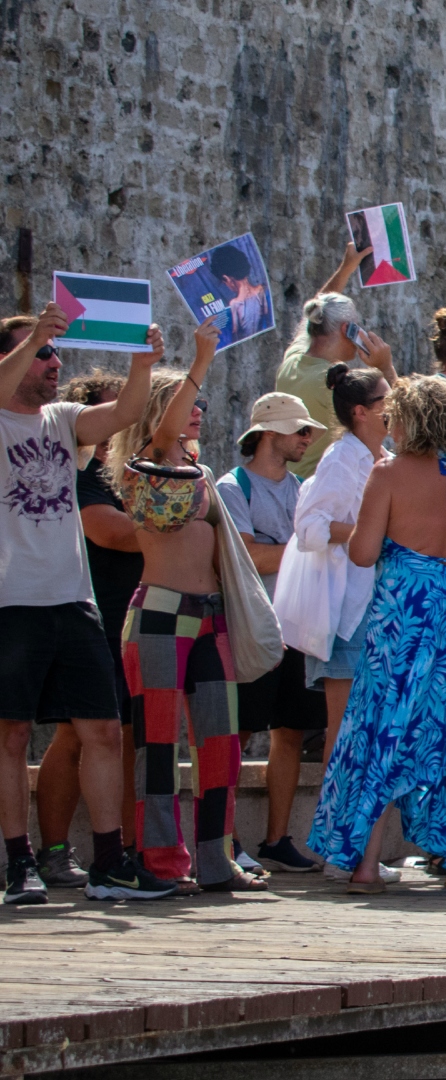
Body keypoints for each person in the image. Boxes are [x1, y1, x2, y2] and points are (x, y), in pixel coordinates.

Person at [1, 308, 174, 903]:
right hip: (10, 601)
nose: (54, 361)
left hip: (73, 600)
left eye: (54, 352)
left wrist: (142, 365)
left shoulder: (63, 420)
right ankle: (19, 863)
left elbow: (124, 414)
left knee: (102, 729)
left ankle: (109, 862)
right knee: (11, 734)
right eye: (41, 354)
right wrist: (36, 335)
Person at [109, 315, 282, 892]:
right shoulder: (148, 467)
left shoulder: (201, 472)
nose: (199, 410)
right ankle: (162, 862)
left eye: (201, 402)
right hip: (159, 612)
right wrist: (201, 359)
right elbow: (163, 437)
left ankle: (216, 860)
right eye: (189, 403)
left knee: (221, 746)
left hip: (209, 616)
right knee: (159, 746)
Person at [308, 376, 446, 893]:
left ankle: (366, 865)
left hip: (407, 612)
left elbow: (363, 553)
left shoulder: (389, 473)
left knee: (383, 728)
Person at [33, 372, 141, 890]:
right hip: (87, 616)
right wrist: (173, 523)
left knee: (119, 736)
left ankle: (124, 851)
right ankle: (53, 852)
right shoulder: (79, 472)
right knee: (74, 736)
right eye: (105, 412)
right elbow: (111, 532)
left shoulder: (128, 472)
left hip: (127, 620)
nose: (115, 423)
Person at [215, 392, 328, 873]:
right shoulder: (231, 487)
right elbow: (247, 556)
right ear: (269, 433)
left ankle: (277, 839)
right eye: (300, 430)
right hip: (251, 627)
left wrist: (280, 548)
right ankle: (224, 840)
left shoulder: (302, 488)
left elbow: (273, 552)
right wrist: (303, 548)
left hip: (297, 626)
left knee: (291, 732)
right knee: (237, 734)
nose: (307, 439)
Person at [287, 367, 390, 767]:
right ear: (361, 412)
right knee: (346, 728)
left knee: (376, 729)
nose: (395, 408)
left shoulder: (387, 459)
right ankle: (335, 809)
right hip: (348, 610)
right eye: (387, 401)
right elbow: (309, 527)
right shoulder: (342, 457)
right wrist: (370, 533)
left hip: (382, 606)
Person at [273, 246, 398, 478]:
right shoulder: (335, 383)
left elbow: (316, 312)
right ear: (346, 329)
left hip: (291, 482)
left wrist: (346, 268)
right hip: (325, 486)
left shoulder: (293, 359)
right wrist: (385, 367)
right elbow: (401, 419)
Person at [210, 243, 273, 341]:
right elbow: (269, 320)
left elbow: (236, 334)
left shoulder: (234, 303)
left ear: (226, 278)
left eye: (224, 282)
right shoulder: (261, 290)